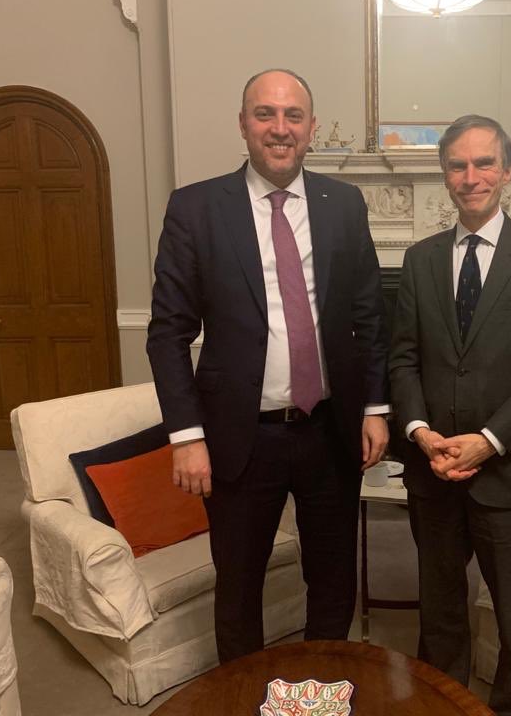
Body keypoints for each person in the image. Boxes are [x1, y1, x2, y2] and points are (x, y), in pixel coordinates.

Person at [147, 68, 389, 664]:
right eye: (265, 114)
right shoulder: (196, 208)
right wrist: (186, 436)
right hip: (239, 437)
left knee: (332, 581)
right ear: (243, 124)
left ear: (311, 128)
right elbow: (168, 333)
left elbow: (370, 315)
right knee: (238, 587)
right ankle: (244, 697)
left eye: (292, 116)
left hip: (330, 431)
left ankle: (321, 695)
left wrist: (375, 406)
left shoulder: (343, 204)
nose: (280, 128)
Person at [389, 115, 511, 716]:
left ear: (507, 171)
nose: (471, 177)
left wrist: (488, 441)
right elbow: (403, 360)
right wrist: (420, 434)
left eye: (484, 163)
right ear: (444, 175)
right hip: (434, 473)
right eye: (457, 165)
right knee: (440, 614)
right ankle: (441, 707)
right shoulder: (419, 260)